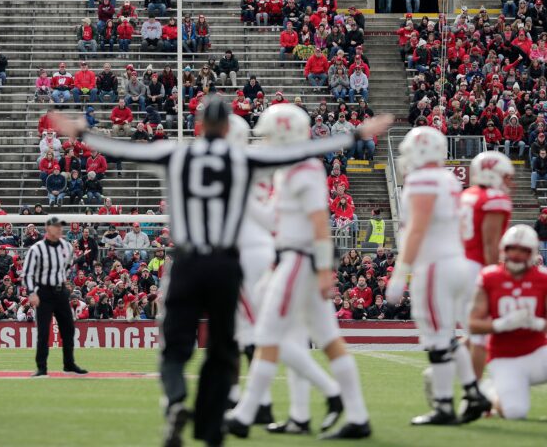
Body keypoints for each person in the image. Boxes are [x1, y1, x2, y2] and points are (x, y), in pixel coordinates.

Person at [47, 99, 391, 447]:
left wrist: (80, 132)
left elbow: (122, 148)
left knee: (179, 347)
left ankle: (179, 400)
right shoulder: (243, 159)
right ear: (228, 129)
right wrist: (356, 134)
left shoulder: (176, 154)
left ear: (199, 127)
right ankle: (216, 429)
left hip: (190, 261)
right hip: (227, 264)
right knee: (225, 349)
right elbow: (302, 150)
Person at [225, 104, 373, 440]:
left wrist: (324, 270)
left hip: (300, 260)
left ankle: (245, 414)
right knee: (329, 340)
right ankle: (357, 415)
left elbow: (320, 224)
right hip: (294, 258)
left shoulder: (303, 170)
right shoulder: (290, 169)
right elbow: (274, 221)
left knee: (266, 335)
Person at [385, 126, 490, 425]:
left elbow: (417, 228)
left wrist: (400, 273)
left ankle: (444, 405)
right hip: (456, 261)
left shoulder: (423, 179)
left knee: (436, 338)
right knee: (447, 336)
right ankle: (472, 392)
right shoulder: (447, 179)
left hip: (434, 265)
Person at [469, 225, 547, 421]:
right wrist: (501, 324)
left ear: (532, 252)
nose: (517, 255)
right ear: (504, 250)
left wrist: (535, 322)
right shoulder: (489, 277)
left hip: (537, 352)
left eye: (523, 250)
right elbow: (472, 324)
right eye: (512, 249)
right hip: (504, 357)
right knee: (515, 413)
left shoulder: (544, 277)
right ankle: (490, 393)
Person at [458, 151, 514, 379]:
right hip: (476, 268)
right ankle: (475, 393)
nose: (509, 181)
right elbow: (490, 244)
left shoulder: (467, 195)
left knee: (473, 333)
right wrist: (495, 277)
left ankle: (440, 369)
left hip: (460, 264)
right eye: (505, 175)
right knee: (480, 336)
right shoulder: (494, 199)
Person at [22, 217, 88, 377]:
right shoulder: (36, 249)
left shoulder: (66, 246)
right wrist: (32, 292)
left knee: (68, 328)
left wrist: (63, 283)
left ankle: (69, 364)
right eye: (56, 226)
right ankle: (42, 367)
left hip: (60, 292)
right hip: (43, 292)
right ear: (47, 228)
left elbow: (66, 266)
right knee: (43, 331)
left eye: (60, 227)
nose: (59, 229)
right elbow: (27, 273)